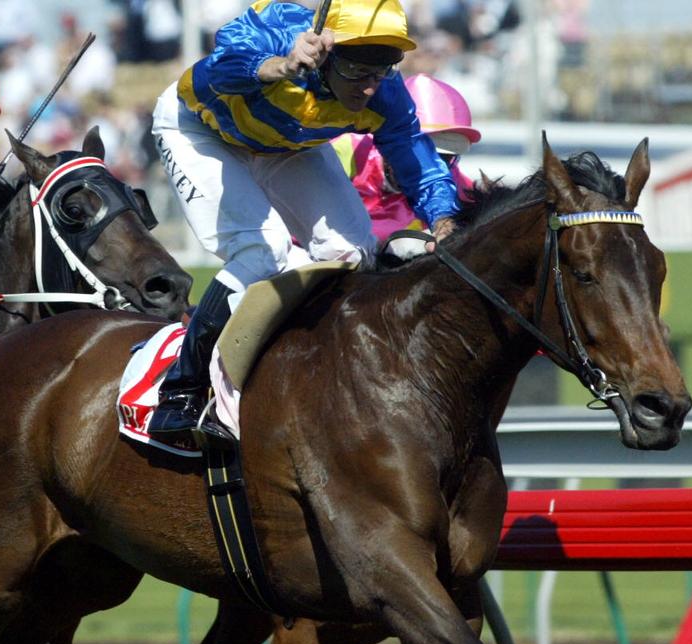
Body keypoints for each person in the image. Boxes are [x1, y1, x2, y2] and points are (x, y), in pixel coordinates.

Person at [147, 0, 461, 440]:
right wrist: (279, 65)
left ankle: (312, 372)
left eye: (382, 70)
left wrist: (445, 218)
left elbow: (418, 162)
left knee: (353, 251)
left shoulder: (385, 93)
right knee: (262, 249)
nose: (369, 88)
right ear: (327, 50)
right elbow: (215, 70)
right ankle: (181, 392)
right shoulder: (279, 26)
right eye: (356, 71)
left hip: (286, 146)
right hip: (200, 130)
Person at [329, 72, 480, 244]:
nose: (433, 166)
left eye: (445, 158)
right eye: (422, 155)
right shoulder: (348, 150)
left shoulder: (453, 181)